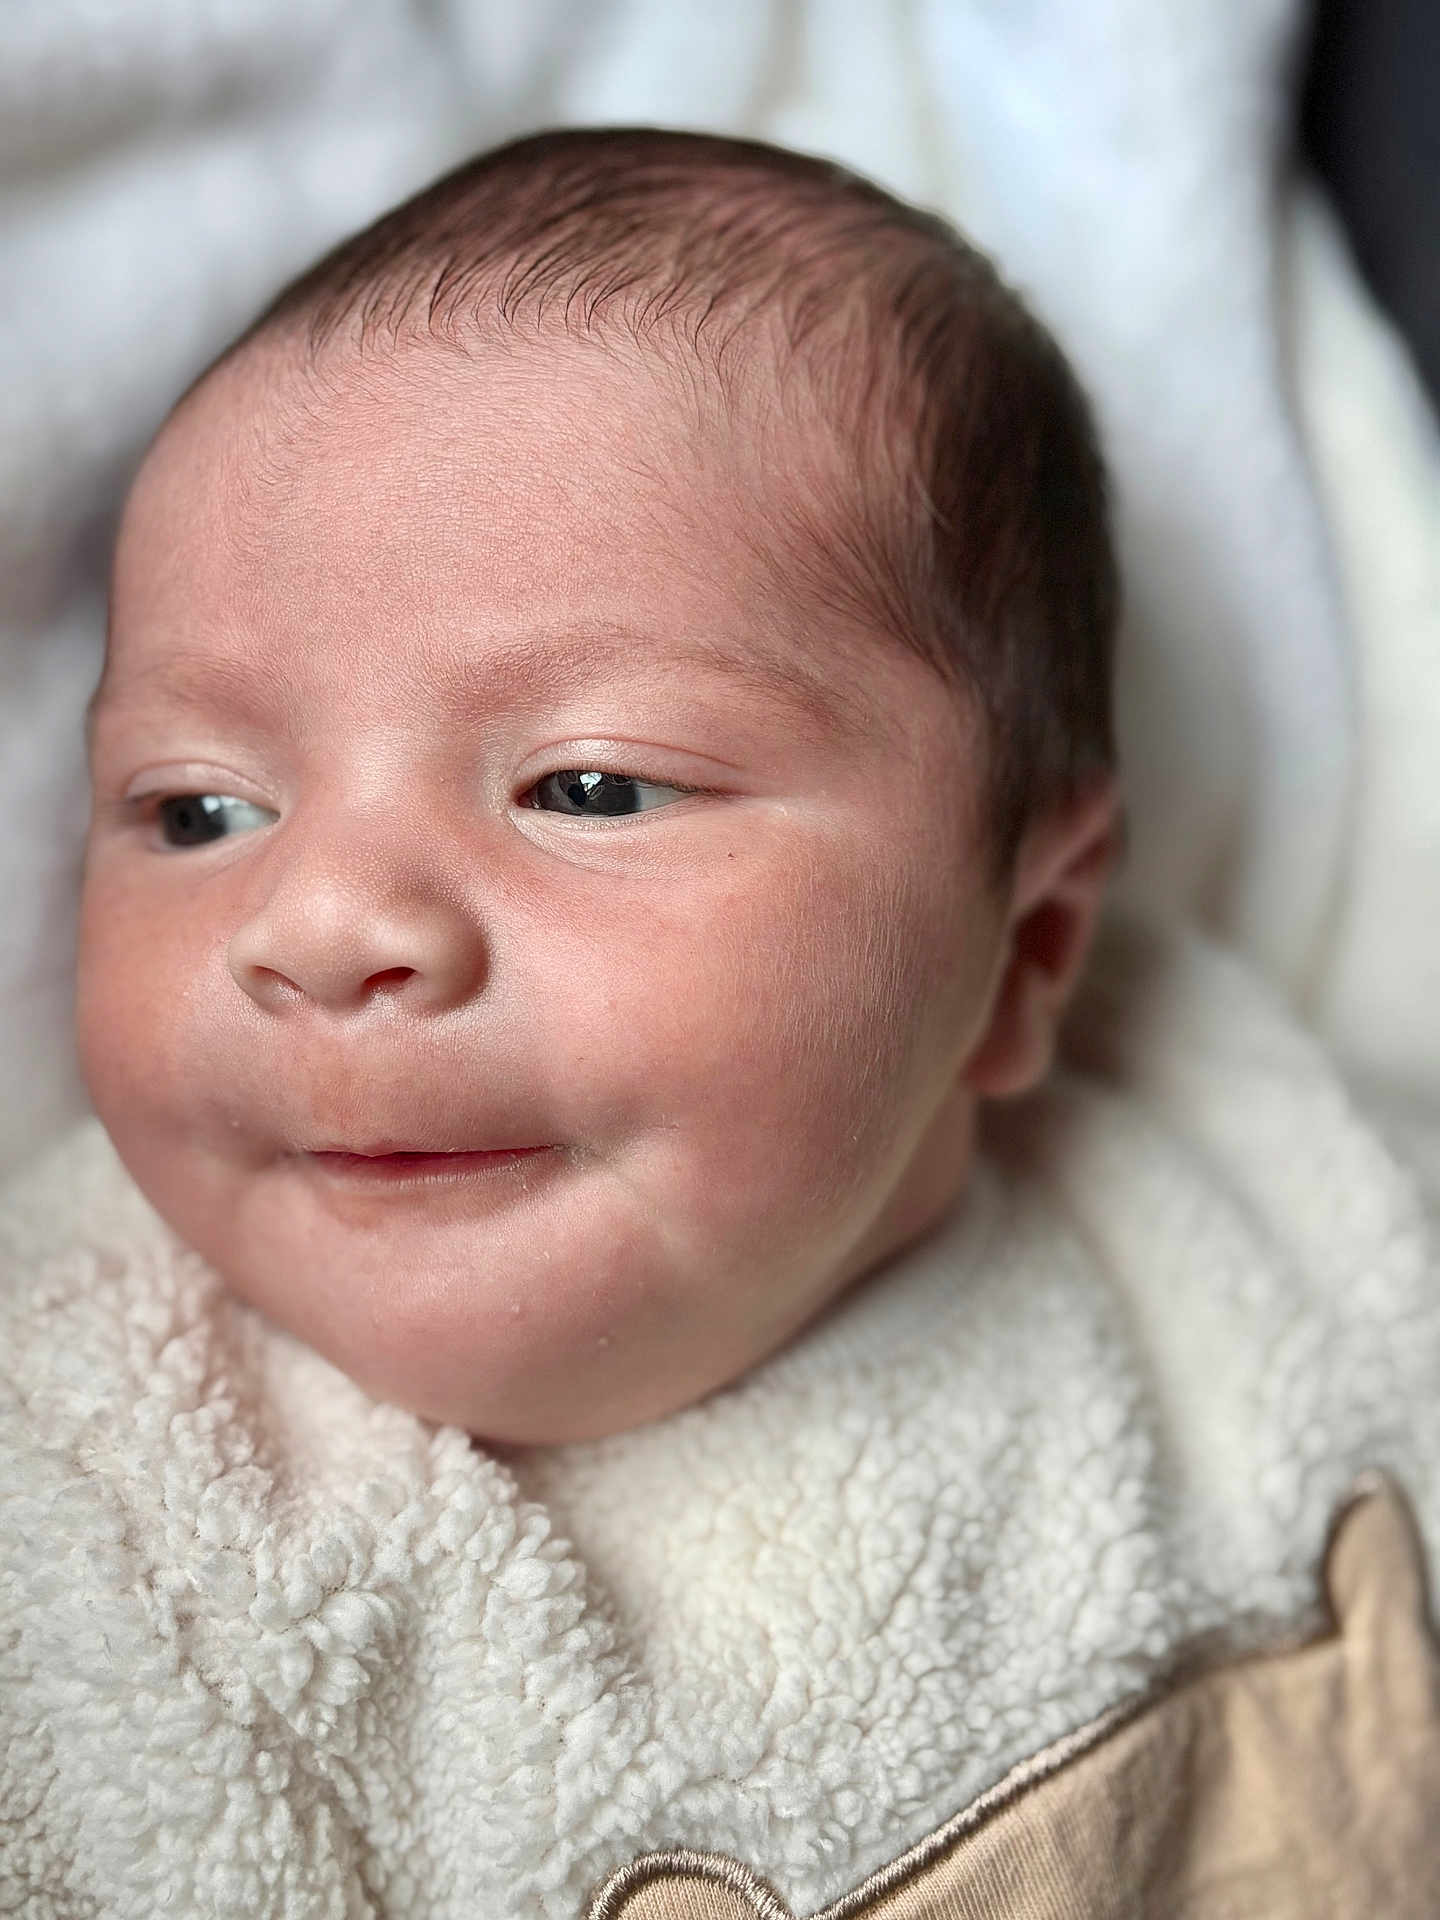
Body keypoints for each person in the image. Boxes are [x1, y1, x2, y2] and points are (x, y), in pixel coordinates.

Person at [3, 128, 1437, 1917]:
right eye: (196, 810)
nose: (319, 928)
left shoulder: (1258, 1210)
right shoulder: (87, 1516)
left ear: (1031, 947)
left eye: (590, 786)